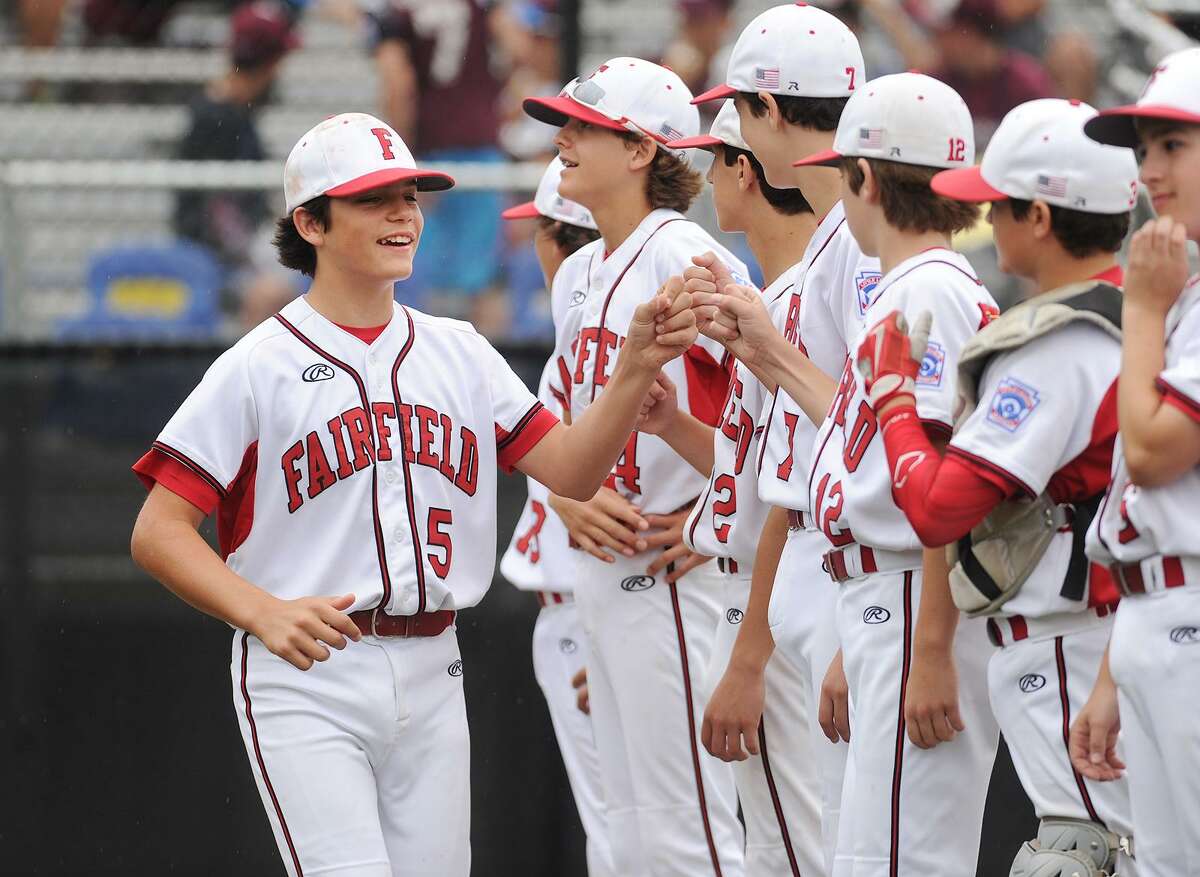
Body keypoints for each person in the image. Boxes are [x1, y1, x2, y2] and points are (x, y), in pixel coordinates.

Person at [128, 112, 699, 877]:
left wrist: (633, 368)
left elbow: (572, 471)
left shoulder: (459, 350)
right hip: (309, 675)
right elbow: (158, 529)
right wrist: (258, 609)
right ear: (311, 222)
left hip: (435, 663)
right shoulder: (257, 364)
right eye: (373, 199)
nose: (403, 214)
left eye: (410, 196)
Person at [699, 71, 1001, 875]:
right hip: (878, 593)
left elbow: (944, 483)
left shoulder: (927, 288)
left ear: (863, 178)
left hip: (910, 592)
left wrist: (926, 646)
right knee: (871, 855)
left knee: (904, 860)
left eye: (843, 173)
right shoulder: (910, 285)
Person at [855, 97, 1139, 875]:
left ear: (1040, 217)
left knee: (1081, 853)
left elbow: (937, 507)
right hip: (1114, 632)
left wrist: (893, 402)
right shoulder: (1143, 315)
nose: (983, 215)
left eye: (997, 202)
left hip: (1067, 639)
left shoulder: (1059, 342)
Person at [522, 57, 751, 876]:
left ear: (643, 150)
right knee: (628, 833)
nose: (564, 139)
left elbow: (766, 407)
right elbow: (553, 426)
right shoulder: (581, 271)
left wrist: (721, 516)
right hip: (603, 571)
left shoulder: (681, 250)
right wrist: (560, 495)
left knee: (686, 826)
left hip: (672, 572)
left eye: (585, 126)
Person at [689, 6, 875, 868]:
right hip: (821, 561)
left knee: (844, 846)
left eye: (742, 113)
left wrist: (764, 350)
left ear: (766, 110)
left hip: (854, 562)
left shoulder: (860, 243)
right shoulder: (842, 233)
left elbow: (889, 427)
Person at [642, 99, 825, 876]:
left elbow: (794, 494)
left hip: (773, 604)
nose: (706, 178)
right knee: (778, 845)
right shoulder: (783, 291)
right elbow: (757, 464)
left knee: (799, 848)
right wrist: (673, 426)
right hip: (763, 597)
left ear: (744, 170)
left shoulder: (796, 299)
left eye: (715, 160)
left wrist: (749, 657)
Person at [1071, 46, 1200, 875]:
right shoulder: (1185, 293)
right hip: (1159, 610)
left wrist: (1143, 305)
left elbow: (1152, 453)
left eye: (1174, 145)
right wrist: (1118, 667)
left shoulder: (1166, 296)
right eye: (1143, 148)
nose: (1150, 169)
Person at [497, 156, 615, 877]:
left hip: (600, 607)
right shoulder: (596, 324)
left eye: (541, 232)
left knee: (629, 832)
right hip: (592, 611)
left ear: (557, 239)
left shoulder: (608, 330)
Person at [365, 0, 521, 325]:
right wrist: (489, 105)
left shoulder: (397, 12)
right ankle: (483, 367)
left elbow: (398, 82)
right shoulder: (480, 6)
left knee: (418, 276)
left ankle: (422, 366)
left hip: (431, 153)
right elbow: (518, 48)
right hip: (482, 153)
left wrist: (404, 158)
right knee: (484, 280)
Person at [174, 0, 300, 328]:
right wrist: (252, 251)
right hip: (215, 249)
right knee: (273, 290)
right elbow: (214, 210)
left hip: (240, 242)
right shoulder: (215, 118)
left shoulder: (241, 111)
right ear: (267, 63)